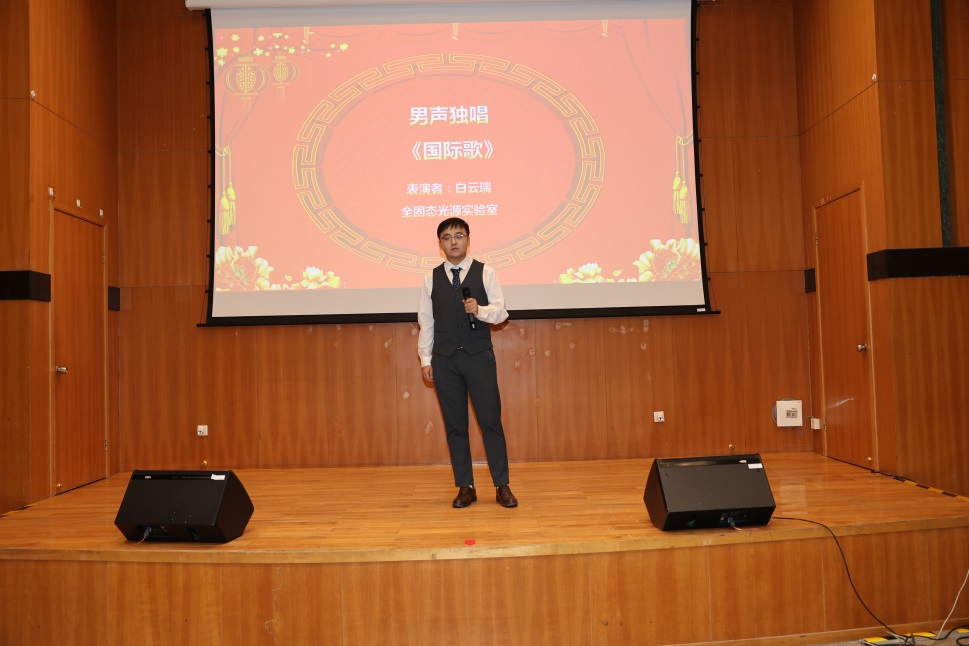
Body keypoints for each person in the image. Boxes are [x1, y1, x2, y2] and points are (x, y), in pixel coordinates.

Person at [417, 217, 518, 509]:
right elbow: (426, 321)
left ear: (468, 240)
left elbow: (501, 313)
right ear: (440, 244)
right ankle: (465, 486)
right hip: (445, 360)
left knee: (490, 422)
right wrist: (426, 358)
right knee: (455, 426)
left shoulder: (486, 272)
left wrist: (480, 310)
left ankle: (502, 485)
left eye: (459, 236)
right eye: (447, 237)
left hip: (478, 358)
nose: (453, 241)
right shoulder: (430, 279)